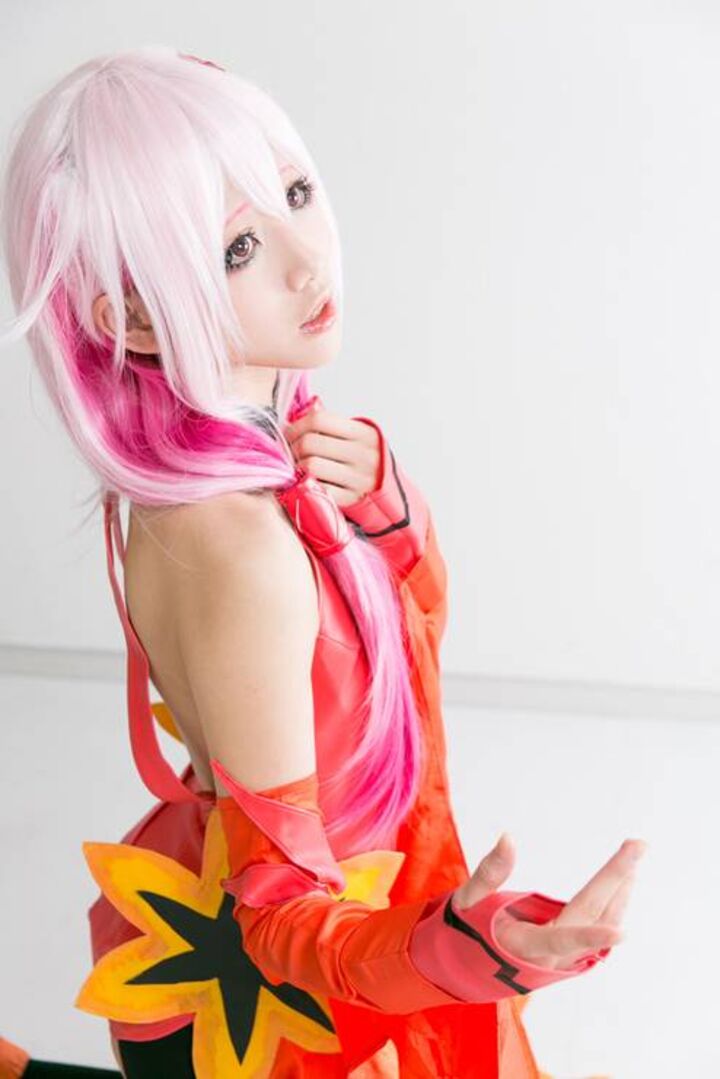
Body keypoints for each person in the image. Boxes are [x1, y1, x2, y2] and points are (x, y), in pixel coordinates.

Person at [0, 45, 646, 1079]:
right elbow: (279, 917)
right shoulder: (240, 546)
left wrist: (386, 507)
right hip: (325, 988)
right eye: (237, 249)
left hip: (375, 900)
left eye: (296, 193)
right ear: (132, 318)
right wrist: (454, 953)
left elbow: (402, 663)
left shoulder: (263, 462)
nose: (309, 262)